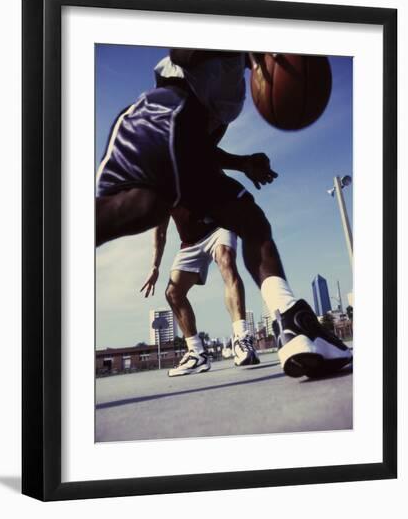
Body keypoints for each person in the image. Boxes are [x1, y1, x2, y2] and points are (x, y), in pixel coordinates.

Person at [96, 49, 352, 378]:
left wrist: (241, 163)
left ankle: (290, 321)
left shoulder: (238, 76)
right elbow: (181, 51)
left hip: (192, 150)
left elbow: (198, 147)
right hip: (164, 113)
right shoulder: (219, 40)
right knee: (141, 208)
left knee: (251, 221)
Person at [140, 205, 259, 377]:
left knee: (226, 262)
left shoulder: (187, 177)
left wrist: (248, 175)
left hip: (219, 228)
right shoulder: (160, 190)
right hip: (190, 243)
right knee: (173, 293)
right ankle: (197, 353)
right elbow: (160, 232)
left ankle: (241, 338)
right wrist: (155, 266)